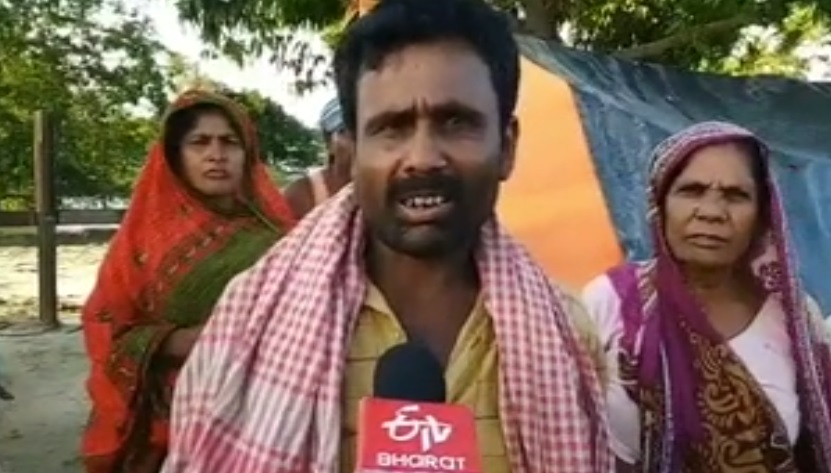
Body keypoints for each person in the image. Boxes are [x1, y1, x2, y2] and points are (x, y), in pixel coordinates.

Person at [161, 0, 612, 472]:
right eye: (391, 128)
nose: (421, 157)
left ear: (507, 147)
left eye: (456, 122)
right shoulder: (249, 317)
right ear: (352, 155)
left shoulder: (568, 332)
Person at [581, 121, 831, 472]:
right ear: (660, 203)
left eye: (736, 195)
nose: (712, 212)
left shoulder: (795, 318)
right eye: (692, 190)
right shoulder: (613, 302)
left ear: (762, 216)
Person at [81, 89, 296, 473]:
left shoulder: (278, 237)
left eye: (230, 142)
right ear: (175, 156)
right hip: (166, 425)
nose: (217, 154)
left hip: (261, 415)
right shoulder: (142, 242)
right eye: (199, 142)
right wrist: (188, 342)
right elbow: (106, 325)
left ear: (247, 155)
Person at [283, 97, 352, 218]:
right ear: (328, 142)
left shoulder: (384, 190)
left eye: (368, 132)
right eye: (347, 132)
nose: (359, 142)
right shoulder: (302, 195)